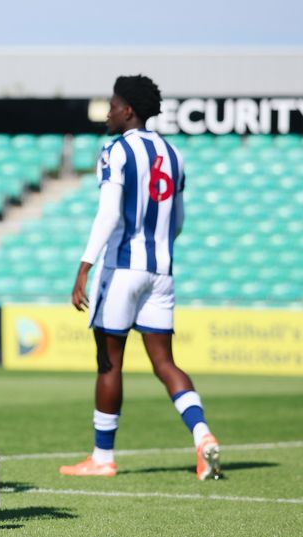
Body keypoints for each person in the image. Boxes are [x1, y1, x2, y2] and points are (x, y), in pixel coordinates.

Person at [61, 75, 221, 481]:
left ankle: (102, 457)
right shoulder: (173, 154)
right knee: (165, 361)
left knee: (110, 362)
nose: (108, 113)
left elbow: (111, 212)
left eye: (113, 106)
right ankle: (202, 436)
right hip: (162, 270)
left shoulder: (115, 149)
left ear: (128, 110)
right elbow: (178, 222)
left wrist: (85, 264)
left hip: (122, 269)